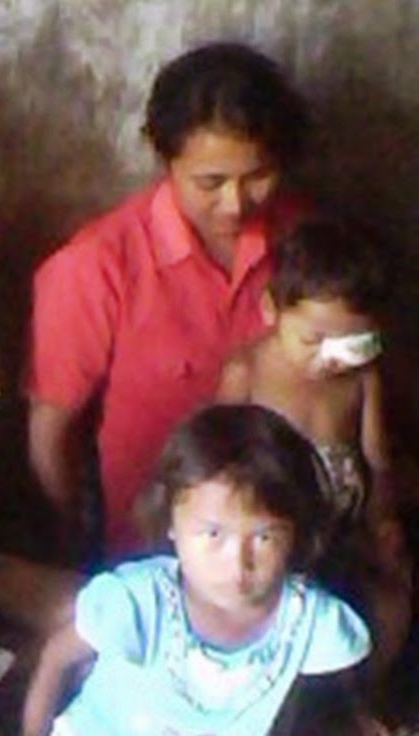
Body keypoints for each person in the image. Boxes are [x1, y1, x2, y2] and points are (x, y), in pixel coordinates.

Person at [27, 42, 309, 563]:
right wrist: (80, 551)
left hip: (285, 550)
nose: (235, 203)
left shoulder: (307, 243)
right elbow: (51, 432)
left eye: (258, 177)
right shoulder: (97, 265)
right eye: (210, 182)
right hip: (152, 557)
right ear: (165, 160)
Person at [21, 404, 371, 736]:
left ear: (296, 535)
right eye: (213, 534)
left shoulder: (308, 622)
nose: (238, 563)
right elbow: (55, 660)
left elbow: (276, 716)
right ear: (172, 524)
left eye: (265, 537)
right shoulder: (138, 601)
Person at [217, 218, 411, 687]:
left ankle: (364, 693)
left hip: (343, 528)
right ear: (271, 309)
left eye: (352, 344)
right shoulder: (247, 372)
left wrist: (383, 522)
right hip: (274, 533)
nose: (330, 357)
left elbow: (376, 460)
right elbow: (218, 458)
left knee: (392, 600)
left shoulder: (362, 379)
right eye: (312, 339)